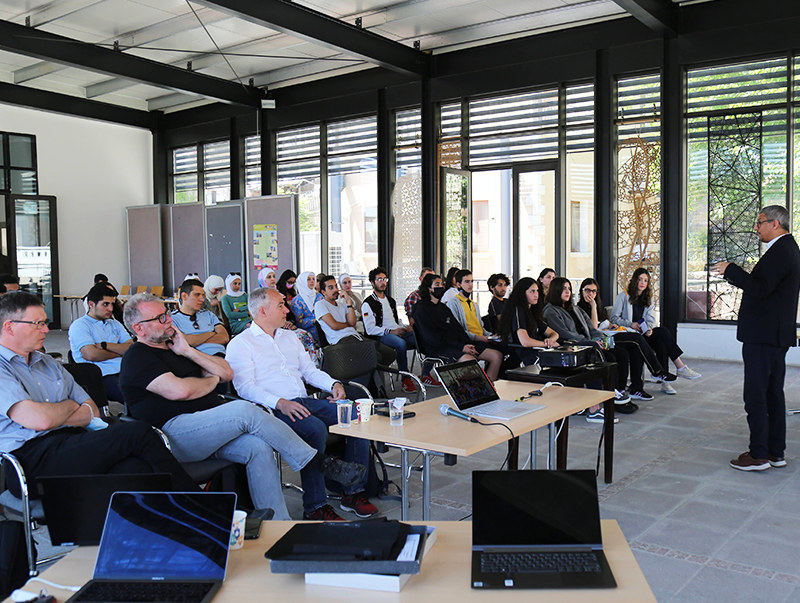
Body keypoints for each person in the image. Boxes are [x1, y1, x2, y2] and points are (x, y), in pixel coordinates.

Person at [119, 293, 366, 521]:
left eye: (167, 314)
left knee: (258, 447)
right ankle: (317, 462)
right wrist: (210, 381)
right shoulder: (137, 357)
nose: (168, 320)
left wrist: (187, 351)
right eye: (160, 318)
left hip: (210, 427)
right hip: (174, 436)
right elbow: (180, 391)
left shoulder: (177, 348)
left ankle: (279, 524)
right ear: (139, 328)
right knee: (244, 410)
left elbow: (226, 373)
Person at [0, 291, 200, 498]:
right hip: (29, 461)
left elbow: (92, 411)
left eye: (45, 322)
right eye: (38, 324)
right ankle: (201, 504)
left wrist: (55, 416)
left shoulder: (48, 363)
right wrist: (70, 406)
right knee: (137, 432)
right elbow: (40, 420)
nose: (46, 329)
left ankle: (178, 515)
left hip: (73, 443)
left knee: (136, 468)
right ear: (9, 327)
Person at [227, 287, 378, 520]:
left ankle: (353, 492)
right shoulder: (241, 343)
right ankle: (315, 506)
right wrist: (280, 403)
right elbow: (245, 388)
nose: (287, 310)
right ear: (262, 311)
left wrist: (333, 384)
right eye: (280, 305)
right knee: (314, 429)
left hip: (304, 401)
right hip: (271, 410)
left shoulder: (290, 337)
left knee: (357, 416)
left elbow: (309, 371)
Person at [712, 205, 800, 471]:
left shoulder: (781, 250)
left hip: (764, 335)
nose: (756, 228)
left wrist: (731, 269)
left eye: (760, 222)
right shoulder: (787, 248)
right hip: (774, 333)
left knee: (756, 394)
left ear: (775, 224)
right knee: (772, 394)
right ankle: (775, 452)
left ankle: (759, 454)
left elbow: (761, 289)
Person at [543, 277, 636, 417]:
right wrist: (590, 342)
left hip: (587, 342)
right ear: (556, 291)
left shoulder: (575, 308)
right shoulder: (551, 311)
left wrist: (602, 340)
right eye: (563, 289)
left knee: (620, 353)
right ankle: (609, 391)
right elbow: (564, 334)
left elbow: (592, 329)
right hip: (571, 346)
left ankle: (619, 390)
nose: (567, 292)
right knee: (600, 353)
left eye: (569, 288)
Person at [577, 277, 675, 402]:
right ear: (581, 291)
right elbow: (594, 328)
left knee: (636, 347)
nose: (591, 294)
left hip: (609, 334)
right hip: (600, 340)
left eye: (594, 291)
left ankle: (636, 388)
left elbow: (604, 322)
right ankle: (656, 370)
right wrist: (593, 307)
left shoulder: (599, 306)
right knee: (636, 338)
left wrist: (610, 325)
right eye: (587, 290)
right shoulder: (580, 308)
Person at [610, 268, 700, 395]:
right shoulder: (623, 296)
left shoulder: (648, 298)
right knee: (660, 340)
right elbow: (614, 318)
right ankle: (672, 372)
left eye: (646, 280)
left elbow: (651, 320)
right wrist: (631, 324)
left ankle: (673, 372)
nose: (642, 283)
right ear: (634, 280)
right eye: (640, 279)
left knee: (662, 334)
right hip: (630, 334)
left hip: (642, 333)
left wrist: (649, 329)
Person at [413, 273, 503, 381]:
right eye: (437, 284)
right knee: (471, 361)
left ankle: (491, 385)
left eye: (441, 284)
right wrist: (461, 347)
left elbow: (458, 329)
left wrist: (467, 345)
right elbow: (432, 338)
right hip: (438, 348)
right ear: (429, 288)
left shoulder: (443, 308)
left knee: (496, 356)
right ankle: (477, 388)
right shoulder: (421, 309)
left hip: (456, 344)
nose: (441, 287)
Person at [68, 282, 132, 402]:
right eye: (105, 304)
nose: (111, 309)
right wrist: (120, 351)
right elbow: (91, 355)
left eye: (112, 304)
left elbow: (131, 348)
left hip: (125, 369)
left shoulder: (114, 323)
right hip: (101, 375)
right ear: (91, 305)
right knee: (135, 397)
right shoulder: (80, 325)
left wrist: (105, 346)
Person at [314, 275, 396, 366]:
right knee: (375, 357)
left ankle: (369, 372)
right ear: (323, 292)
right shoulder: (320, 305)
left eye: (336, 286)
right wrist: (348, 325)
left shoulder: (342, 305)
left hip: (355, 336)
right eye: (331, 288)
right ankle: (368, 372)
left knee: (390, 353)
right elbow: (335, 325)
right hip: (341, 341)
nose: (335, 290)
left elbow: (352, 322)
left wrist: (349, 302)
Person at [362, 267, 417, 392]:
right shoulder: (368, 303)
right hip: (381, 336)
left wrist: (405, 327)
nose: (383, 282)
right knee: (400, 344)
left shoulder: (390, 300)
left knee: (420, 337)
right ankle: (405, 379)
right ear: (372, 283)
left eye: (384, 279)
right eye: (379, 279)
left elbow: (395, 321)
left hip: (397, 330)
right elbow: (370, 329)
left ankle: (426, 373)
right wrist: (390, 331)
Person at [497, 277, 558, 366]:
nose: (536, 295)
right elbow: (525, 342)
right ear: (522, 293)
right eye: (532, 291)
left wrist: (550, 341)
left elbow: (554, 333)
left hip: (537, 351)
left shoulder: (532, 312)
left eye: (537, 291)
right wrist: (546, 344)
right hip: (525, 355)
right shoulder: (518, 311)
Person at [170, 279, 230, 357]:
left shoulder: (208, 314)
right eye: (197, 295)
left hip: (222, 355)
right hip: (197, 359)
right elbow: (186, 341)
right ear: (184, 296)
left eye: (202, 295)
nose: (202, 299)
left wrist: (196, 341)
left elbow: (224, 338)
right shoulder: (173, 319)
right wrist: (212, 333)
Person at [446, 270, 493, 342]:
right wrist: (477, 337)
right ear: (458, 285)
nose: (471, 285)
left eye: (472, 281)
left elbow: (481, 328)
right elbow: (458, 329)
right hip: (469, 340)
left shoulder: (474, 304)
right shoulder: (453, 303)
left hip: (481, 338)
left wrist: (491, 336)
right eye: (467, 282)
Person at [289, 271, 319, 341]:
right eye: (308, 279)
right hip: (307, 334)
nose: (312, 281)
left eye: (313, 279)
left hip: (323, 329)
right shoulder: (297, 301)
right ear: (303, 282)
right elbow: (299, 322)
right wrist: (314, 321)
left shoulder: (319, 296)